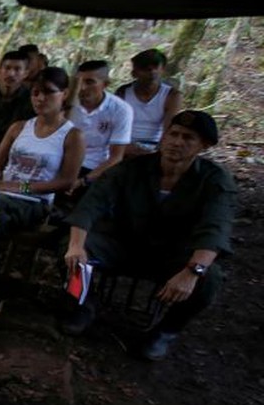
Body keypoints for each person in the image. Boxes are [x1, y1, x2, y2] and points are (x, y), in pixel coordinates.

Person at [62, 110, 236, 360]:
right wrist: (76, 246)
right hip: (124, 244)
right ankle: (82, 305)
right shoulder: (133, 168)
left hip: (172, 256)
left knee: (209, 279)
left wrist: (192, 272)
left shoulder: (215, 180)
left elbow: (216, 228)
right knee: (68, 247)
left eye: (188, 138)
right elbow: (92, 204)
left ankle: (165, 331)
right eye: (173, 134)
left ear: (203, 146)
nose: (177, 142)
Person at [0, 67, 84, 237]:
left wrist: (21, 188)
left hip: (35, 203)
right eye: (36, 93)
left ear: (65, 94)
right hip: (1, 195)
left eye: (49, 92)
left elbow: (67, 182)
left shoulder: (72, 136)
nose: (40, 98)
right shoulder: (18, 128)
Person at [68, 59, 133, 188]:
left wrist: (83, 181)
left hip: (94, 169)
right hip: (63, 162)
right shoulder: (67, 102)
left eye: (89, 82)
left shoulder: (121, 109)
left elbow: (116, 157)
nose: (82, 87)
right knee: (28, 187)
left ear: (105, 84)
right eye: (79, 81)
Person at [115, 49, 181, 156]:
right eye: (145, 68)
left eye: (155, 67)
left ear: (163, 69)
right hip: (125, 144)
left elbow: (169, 130)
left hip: (155, 145)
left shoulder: (172, 96)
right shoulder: (123, 93)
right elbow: (116, 127)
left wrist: (158, 151)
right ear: (134, 73)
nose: (151, 72)